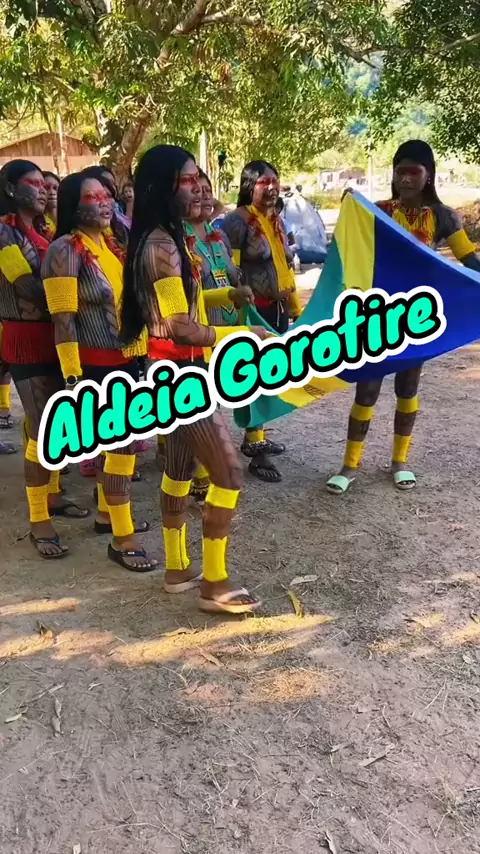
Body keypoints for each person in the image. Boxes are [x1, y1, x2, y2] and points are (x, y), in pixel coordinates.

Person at [121, 143, 266, 613]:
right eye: (187, 181)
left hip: (175, 369)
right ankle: (215, 584)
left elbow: (183, 309)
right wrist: (239, 333)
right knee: (228, 472)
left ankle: (177, 569)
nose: (196, 189)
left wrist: (225, 296)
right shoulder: (162, 246)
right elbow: (179, 325)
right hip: (179, 373)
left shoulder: (167, 238)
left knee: (180, 471)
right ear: (162, 188)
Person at [326, 139, 480, 495]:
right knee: (367, 389)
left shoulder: (443, 216)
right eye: (400, 172)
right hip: (377, 316)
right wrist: (351, 206)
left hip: (417, 319)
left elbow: (469, 260)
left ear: (429, 176)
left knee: (407, 388)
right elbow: (349, 242)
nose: (406, 179)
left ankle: (399, 462)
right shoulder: (378, 211)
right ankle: (349, 465)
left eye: (413, 172)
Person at [42, 170, 156, 571]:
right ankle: (122, 540)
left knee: (122, 451)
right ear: (73, 206)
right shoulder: (63, 250)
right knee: (120, 452)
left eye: (107, 195)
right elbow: (62, 319)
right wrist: (74, 377)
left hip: (126, 361)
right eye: (93, 197)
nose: (105, 202)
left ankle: (109, 517)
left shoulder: (111, 244)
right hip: (93, 366)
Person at [0, 159, 89, 556]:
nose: (42, 190)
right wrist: (72, 297)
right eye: (32, 184)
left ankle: (51, 495)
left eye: (44, 184)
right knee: (41, 429)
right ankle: (39, 521)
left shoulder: (45, 230)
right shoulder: (3, 233)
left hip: (55, 335)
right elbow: (26, 287)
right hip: (26, 337)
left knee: (57, 424)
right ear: (10, 188)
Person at [220, 160, 302, 483]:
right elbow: (232, 273)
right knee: (253, 379)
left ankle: (256, 437)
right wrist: (239, 315)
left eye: (274, 181)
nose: (271, 188)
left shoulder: (276, 220)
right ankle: (255, 449)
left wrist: (295, 308)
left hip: (279, 310)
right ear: (248, 186)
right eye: (263, 182)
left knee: (269, 378)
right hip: (254, 314)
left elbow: (286, 267)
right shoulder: (236, 222)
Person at [182, 168, 254, 505]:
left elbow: (229, 274)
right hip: (199, 330)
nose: (204, 196)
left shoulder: (217, 233)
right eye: (196, 189)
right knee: (201, 404)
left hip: (226, 323)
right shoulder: (178, 240)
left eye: (207, 190)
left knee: (216, 398)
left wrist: (238, 291)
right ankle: (198, 476)